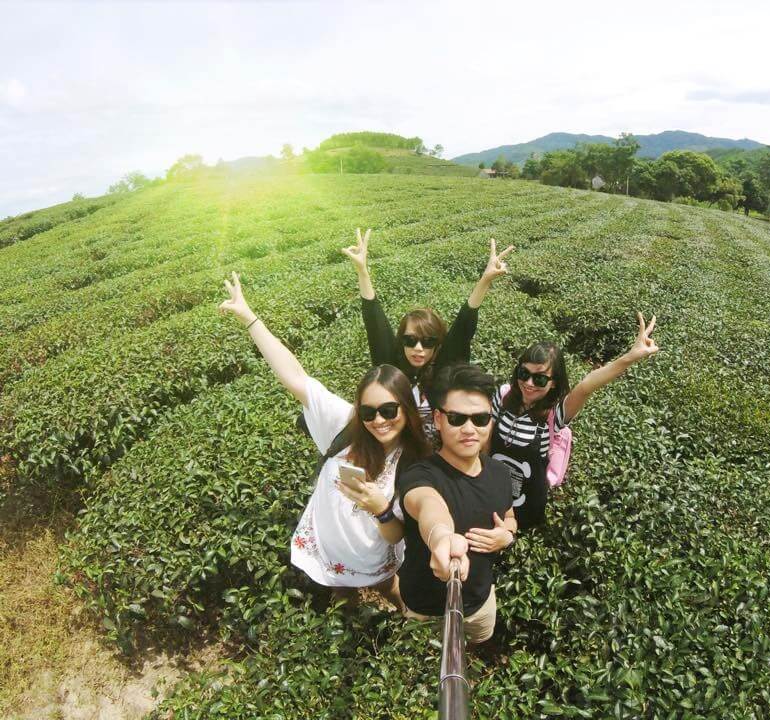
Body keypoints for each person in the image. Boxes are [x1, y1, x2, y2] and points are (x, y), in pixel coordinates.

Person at [219, 272, 431, 610]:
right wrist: (249, 319)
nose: (379, 420)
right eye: (369, 411)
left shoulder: (414, 461)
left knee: (389, 587)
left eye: (389, 410)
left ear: (406, 408)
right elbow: (294, 376)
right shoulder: (345, 424)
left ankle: (402, 613)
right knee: (341, 595)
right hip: (328, 547)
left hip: (374, 556)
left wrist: (380, 509)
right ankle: (347, 609)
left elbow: (398, 534)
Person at [484, 312, 659, 532]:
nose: (528, 383)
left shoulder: (554, 414)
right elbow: (486, 438)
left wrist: (630, 357)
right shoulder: (504, 395)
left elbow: (586, 386)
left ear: (554, 383)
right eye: (523, 373)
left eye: (539, 378)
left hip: (526, 504)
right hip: (491, 489)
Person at [341, 228, 514, 438]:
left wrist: (485, 280)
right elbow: (375, 323)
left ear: (437, 345)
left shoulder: (443, 369)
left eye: (428, 342)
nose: (418, 348)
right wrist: (362, 271)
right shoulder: (392, 369)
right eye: (410, 340)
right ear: (401, 341)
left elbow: (463, 326)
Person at [396, 363, 517, 644]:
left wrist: (507, 535)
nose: (469, 429)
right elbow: (428, 506)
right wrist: (441, 538)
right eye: (457, 419)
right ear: (438, 419)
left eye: (480, 419)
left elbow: (510, 516)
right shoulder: (419, 475)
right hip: (425, 610)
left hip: (481, 602)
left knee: (477, 644)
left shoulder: (500, 473)